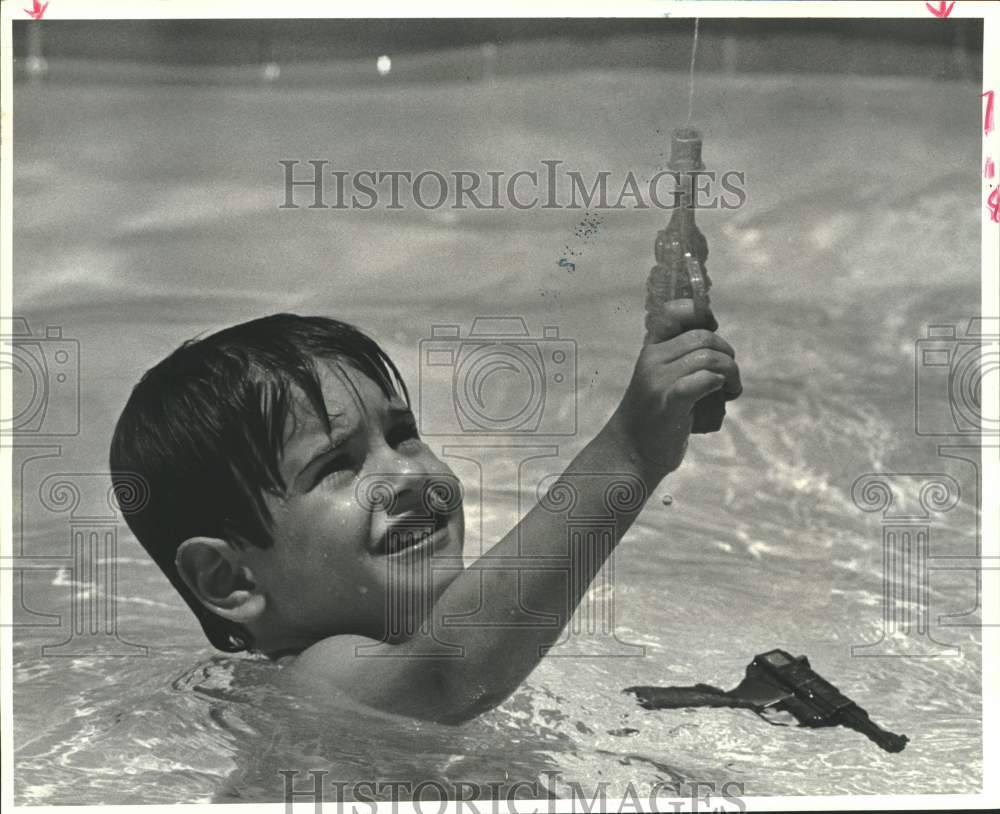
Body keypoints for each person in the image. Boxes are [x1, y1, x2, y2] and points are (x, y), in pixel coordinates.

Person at [110, 302, 740, 724]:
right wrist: (631, 451)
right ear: (231, 579)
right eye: (335, 465)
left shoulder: (408, 647)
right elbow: (451, 675)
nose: (408, 474)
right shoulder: (304, 681)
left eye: (403, 434)